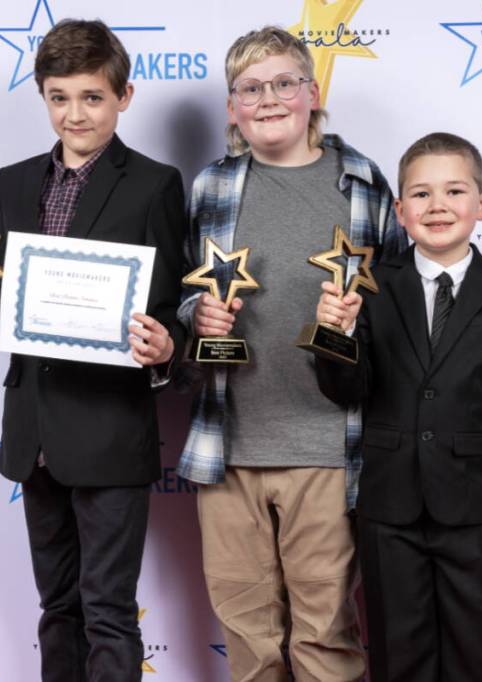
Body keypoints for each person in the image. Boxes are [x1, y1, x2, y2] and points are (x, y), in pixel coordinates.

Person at [0, 19, 185, 682]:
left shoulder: (155, 184)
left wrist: (166, 346)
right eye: (59, 97)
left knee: (107, 609)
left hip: (109, 427)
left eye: (91, 97)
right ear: (42, 96)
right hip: (34, 431)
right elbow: (19, 311)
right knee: (57, 609)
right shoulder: (13, 182)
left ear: (124, 96)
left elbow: (171, 309)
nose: (74, 113)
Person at [175, 25, 405, 681]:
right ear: (232, 107)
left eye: (283, 83)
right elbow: (182, 299)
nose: (268, 99)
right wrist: (199, 315)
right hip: (230, 448)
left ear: (313, 92)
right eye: (250, 87)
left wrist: (359, 326)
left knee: (325, 638)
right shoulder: (211, 187)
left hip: (330, 449)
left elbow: (396, 309)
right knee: (248, 643)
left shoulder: (361, 181)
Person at [314, 132, 482, 681]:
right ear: (400, 211)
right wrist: (337, 335)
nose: (438, 206)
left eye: (454, 191)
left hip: (478, 512)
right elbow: (345, 391)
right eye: (421, 195)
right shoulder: (370, 286)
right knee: (399, 655)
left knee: (476, 652)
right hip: (389, 510)